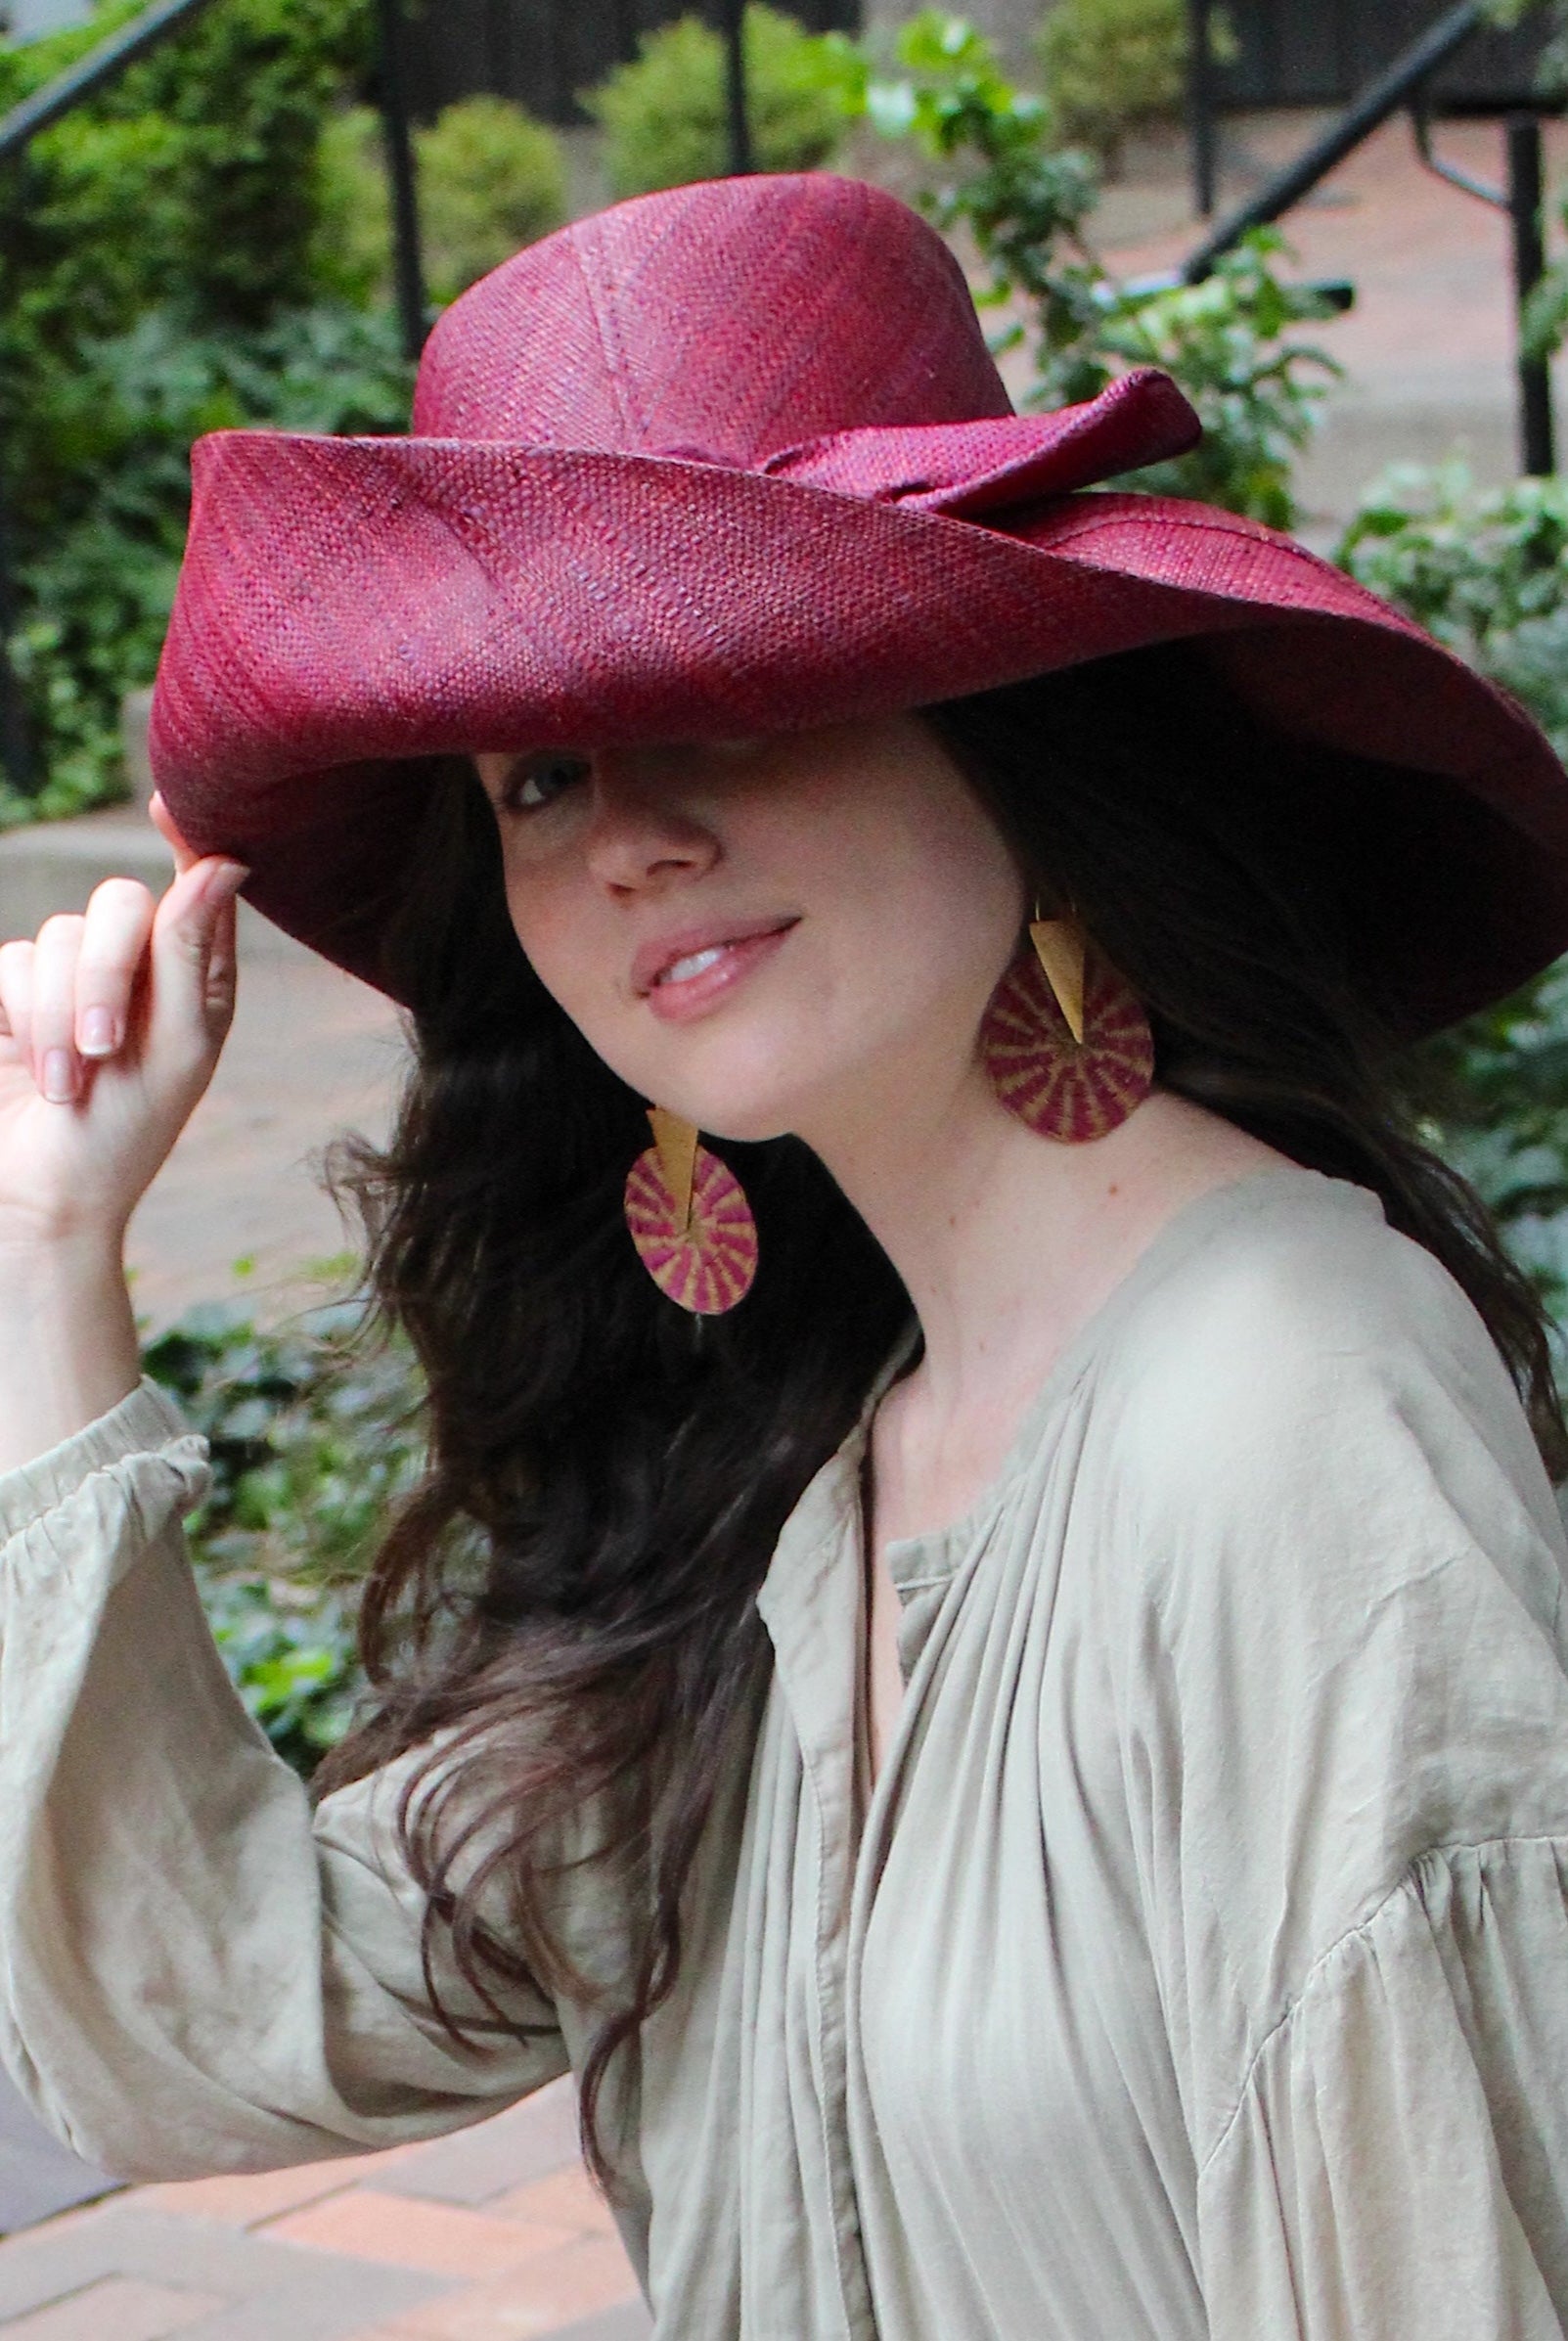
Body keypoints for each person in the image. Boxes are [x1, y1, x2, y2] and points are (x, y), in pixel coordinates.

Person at [3, 170, 1568, 2341]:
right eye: (539, 773)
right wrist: (47, 1248)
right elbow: (233, 2015)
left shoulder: (1282, 1410)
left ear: (1012, 732)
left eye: (744, 686)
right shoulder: (809, 1462)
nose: (634, 831)